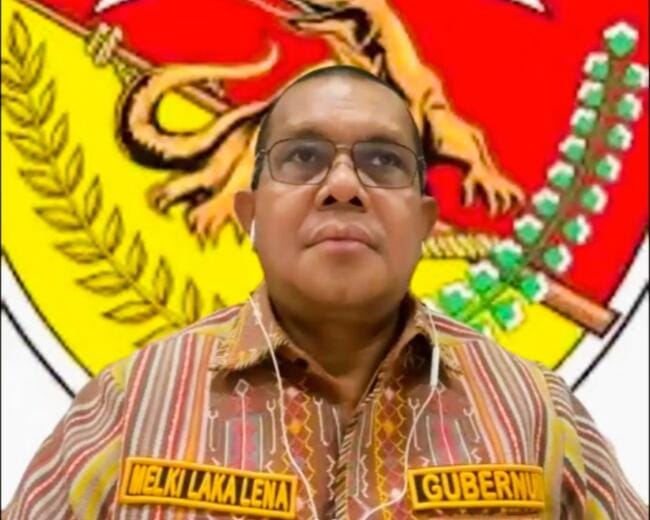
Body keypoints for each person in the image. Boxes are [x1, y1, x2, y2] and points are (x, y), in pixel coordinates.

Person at [3, 65, 646, 520]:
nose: (343, 186)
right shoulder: (133, 405)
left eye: (383, 161)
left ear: (425, 224)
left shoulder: (534, 413)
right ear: (250, 215)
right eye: (303, 158)